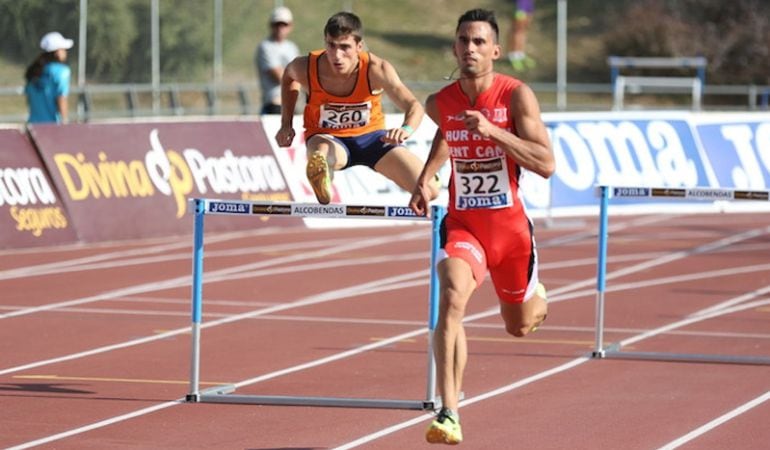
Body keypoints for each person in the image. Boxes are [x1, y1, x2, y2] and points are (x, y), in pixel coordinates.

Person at [409, 8, 554, 445]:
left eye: (478, 42)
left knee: (519, 326)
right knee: (451, 299)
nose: (469, 49)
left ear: (495, 49)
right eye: (462, 41)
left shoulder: (516, 96)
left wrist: (494, 132)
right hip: (464, 226)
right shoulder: (441, 102)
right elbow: (445, 133)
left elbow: (546, 164)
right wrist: (425, 179)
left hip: (510, 233)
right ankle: (449, 411)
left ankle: (536, 295)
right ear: (454, 47)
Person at [275, 11, 439, 205]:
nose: (336, 56)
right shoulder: (306, 67)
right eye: (331, 45)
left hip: (373, 139)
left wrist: (406, 129)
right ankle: (323, 177)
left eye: (345, 47)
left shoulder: (376, 69)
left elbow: (413, 105)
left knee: (429, 189)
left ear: (359, 46)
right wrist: (286, 123)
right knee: (320, 154)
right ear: (325, 42)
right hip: (327, 136)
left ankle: (325, 172)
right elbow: (288, 78)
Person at [256, 6, 300, 115]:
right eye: (277, 24)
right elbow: (279, 77)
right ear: (271, 25)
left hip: (292, 103)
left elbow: (299, 74)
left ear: (290, 26)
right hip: (274, 105)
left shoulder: (292, 47)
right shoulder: (265, 47)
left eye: (284, 25)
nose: (280, 28)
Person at [24, 31, 73, 124]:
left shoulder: (34, 71)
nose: (65, 52)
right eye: (63, 49)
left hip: (33, 126)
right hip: (52, 127)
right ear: (57, 52)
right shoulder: (62, 71)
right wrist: (65, 123)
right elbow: (61, 98)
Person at [506, 0, 536, 72]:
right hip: (519, 4)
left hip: (528, 3)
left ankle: (521, 54)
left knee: (524, 29)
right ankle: (514, 56)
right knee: (517, 29)